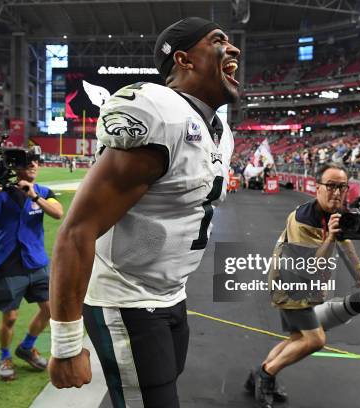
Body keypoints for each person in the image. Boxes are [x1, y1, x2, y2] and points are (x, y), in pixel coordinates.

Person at [48, 16, 239, 407]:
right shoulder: (159, 112)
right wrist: (66, 345)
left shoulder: (219, 130)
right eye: (218, 40)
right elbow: (76, 230)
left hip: (170, 293)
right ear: (184, 60)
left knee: (161, 389)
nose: (233, 49)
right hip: (127, 297)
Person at [250, 163, 360, 408]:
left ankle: (259, 374)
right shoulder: (303, 220)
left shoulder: (336, 213)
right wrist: (330, 237)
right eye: (331, 186)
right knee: (315, 340)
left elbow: (345, 242)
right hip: (290, 284)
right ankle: (266, 375)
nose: (337, 193)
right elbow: (309, 267)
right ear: (317, 188)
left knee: (298, 337)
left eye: (342, 187)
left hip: (308, 285)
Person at [0, 152, 63, 381]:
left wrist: (34, 197)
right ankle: (4, 356)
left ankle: (26, 347)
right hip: (7, 263)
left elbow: (58, 212)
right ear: (16, 167)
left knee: (50, 309)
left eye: (36, 162)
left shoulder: (41, 191)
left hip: (36, 262)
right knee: (10, 317)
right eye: (28, 163)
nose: (33, 165)